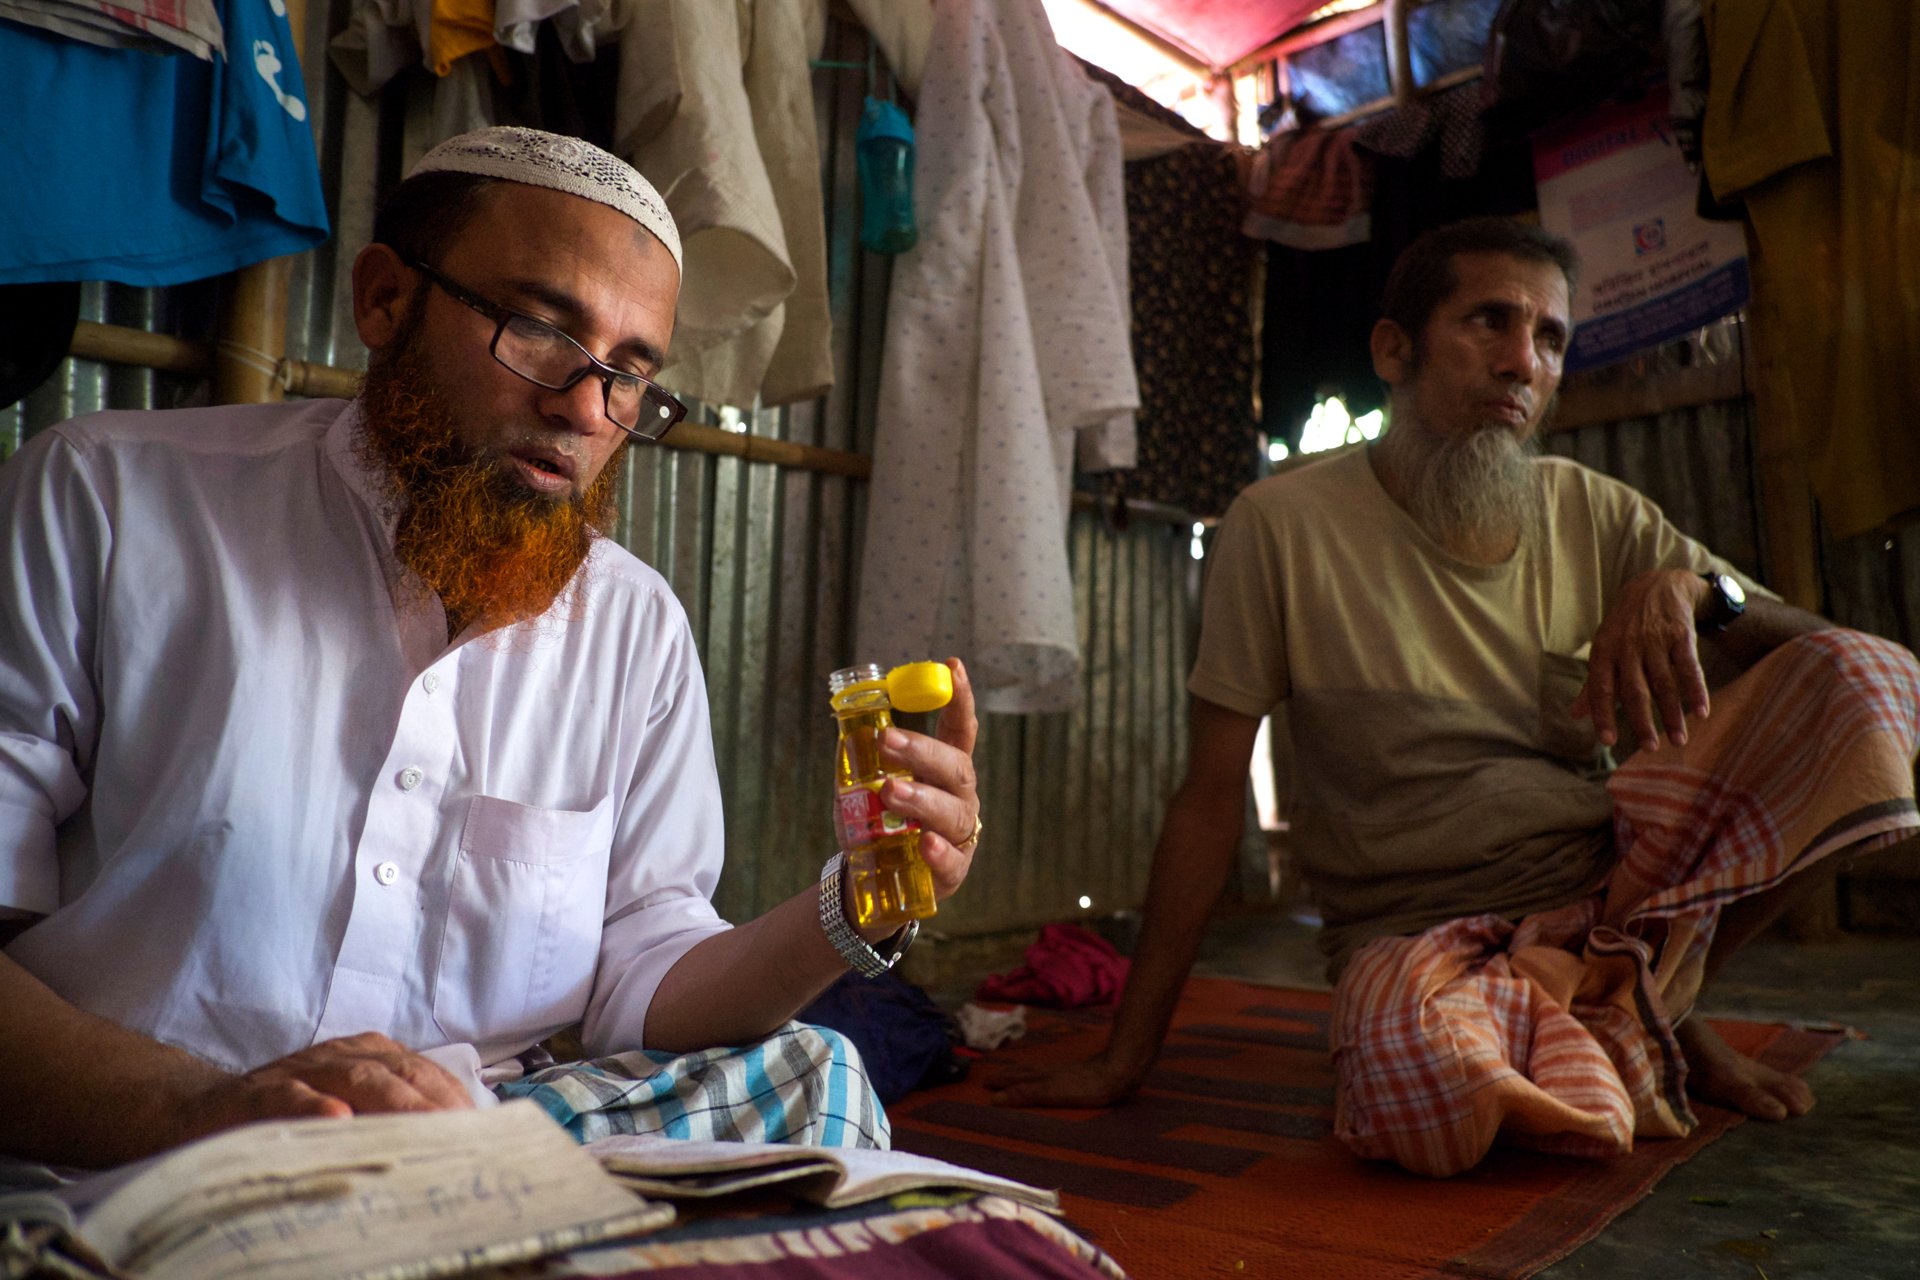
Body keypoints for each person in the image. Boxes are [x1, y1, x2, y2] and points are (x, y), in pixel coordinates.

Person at [0, 127, 983, 1174]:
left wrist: (860, 900)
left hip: (465, 1166)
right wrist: (206, 1110)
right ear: (385, 299)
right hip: (131, 1159)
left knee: (816, 1075)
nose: (582, 407)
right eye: (536, 330)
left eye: (628, 374)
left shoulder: (634, 626)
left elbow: (643, 980)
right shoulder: (105, 501)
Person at [991, 217, 1920, 1177]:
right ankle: (1621, 1022)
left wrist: (1695, 592)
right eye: (1491, 321)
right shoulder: (1277, 526)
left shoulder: (1590, 509)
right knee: (1429, 1099)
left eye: (1551, 339)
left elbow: (1847, 662)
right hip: (1413, 933)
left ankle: (1657, 1011)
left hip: (1609, 899)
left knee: (1874, 683)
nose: (1524, 363)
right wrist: (1124, 1058)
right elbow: (1209, 795)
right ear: (1394, 349)